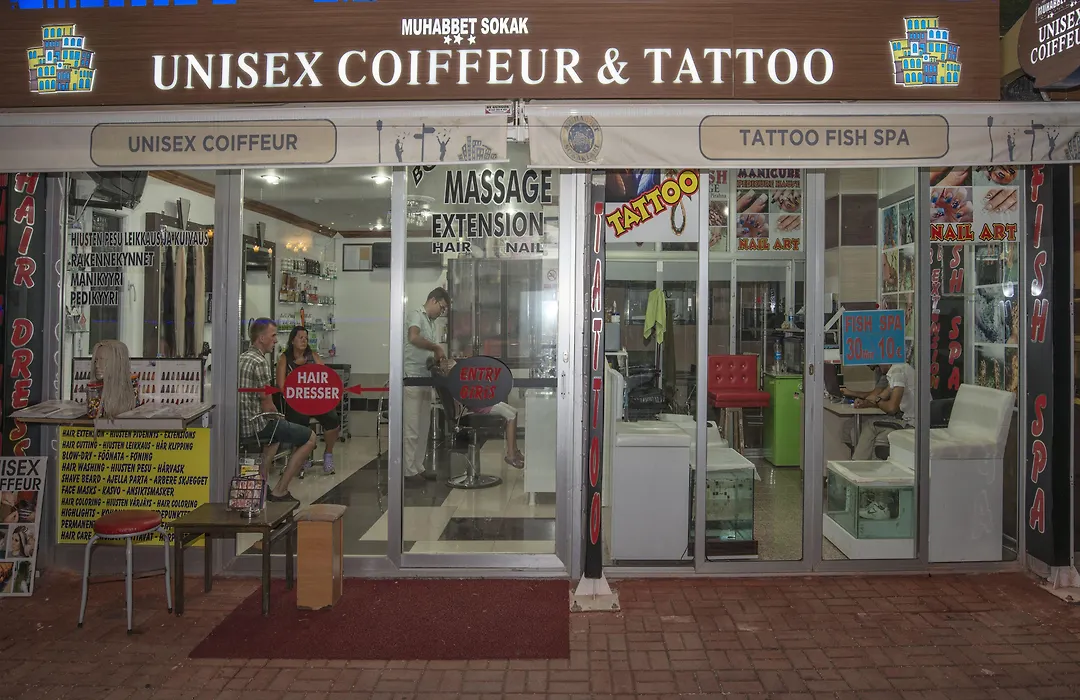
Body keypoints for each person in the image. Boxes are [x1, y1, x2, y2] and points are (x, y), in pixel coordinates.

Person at [239, 318, 316, 502]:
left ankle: (260, 484)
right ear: (261, 338)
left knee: (274, 440)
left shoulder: (242, 358)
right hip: (256, 426)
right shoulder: (260, 362)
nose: (275, 340)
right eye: (273, 336)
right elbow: (267, 404)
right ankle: (280, 490)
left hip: (242, 424)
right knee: (310, 438)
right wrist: (281, 418)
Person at [276, 326, 341, 476]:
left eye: (306, 338)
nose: (304, 340)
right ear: (292, 340)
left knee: (332, 419)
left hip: (315, 401)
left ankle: (328, 454)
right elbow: (281, 385)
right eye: (300, 337)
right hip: (296, 402)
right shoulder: (285, 358)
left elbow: (325, 377)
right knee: (300, 420)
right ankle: (302, 455)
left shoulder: (313, 356)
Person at [403, 288, 451, 483]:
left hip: (425, 378)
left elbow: (425, 351)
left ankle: (418, 466)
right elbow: (413, 337)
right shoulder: (416, 314)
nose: (442, 312)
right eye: (442, 307)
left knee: (424, 427)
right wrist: (436, 347)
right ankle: (408, 471)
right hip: (412, 378)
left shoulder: (431, 323)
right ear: (433, 300)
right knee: (412, 427)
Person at [851, 362, 917, 462]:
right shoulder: (900, 368)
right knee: (875, 434)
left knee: (870, 424)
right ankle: (863, 465)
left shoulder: (897, 371)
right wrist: (866, 403)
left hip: (912, 423)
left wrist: (877, 401)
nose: (877, 370)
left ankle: (857, 464)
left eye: (877, 366)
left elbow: (892, 408)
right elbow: (882, 396)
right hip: (909, 420)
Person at [840, 366, 891, 452]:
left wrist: (869, 401)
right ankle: (855, 454)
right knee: (848, 426)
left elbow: (876, 397)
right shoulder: (881, 372)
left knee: (857, 430)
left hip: (890, 415)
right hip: (881, 410)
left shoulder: (892, 373)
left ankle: (859, 456)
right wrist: (868, 401)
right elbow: (875, 396)